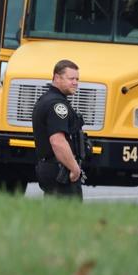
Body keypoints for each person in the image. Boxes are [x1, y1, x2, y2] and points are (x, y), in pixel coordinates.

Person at [32, 59, 85, 199]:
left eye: (77, 79)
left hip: (50, 166)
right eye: (71, 78)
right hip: (60, 169)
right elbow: (57, 141)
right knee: (70, 216)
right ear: (56, 77)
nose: (75, 82)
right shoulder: (57, 105)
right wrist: (74, 169)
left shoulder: (46, 99)